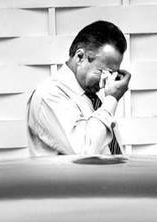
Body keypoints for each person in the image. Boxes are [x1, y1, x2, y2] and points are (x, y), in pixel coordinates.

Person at [27, 20, 131, 156]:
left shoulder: (91, 97)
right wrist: (111, 99)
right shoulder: (49, 94)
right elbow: (85, 152)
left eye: (112, 74)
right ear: (80, 57)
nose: (105, 83)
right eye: (104, 71)